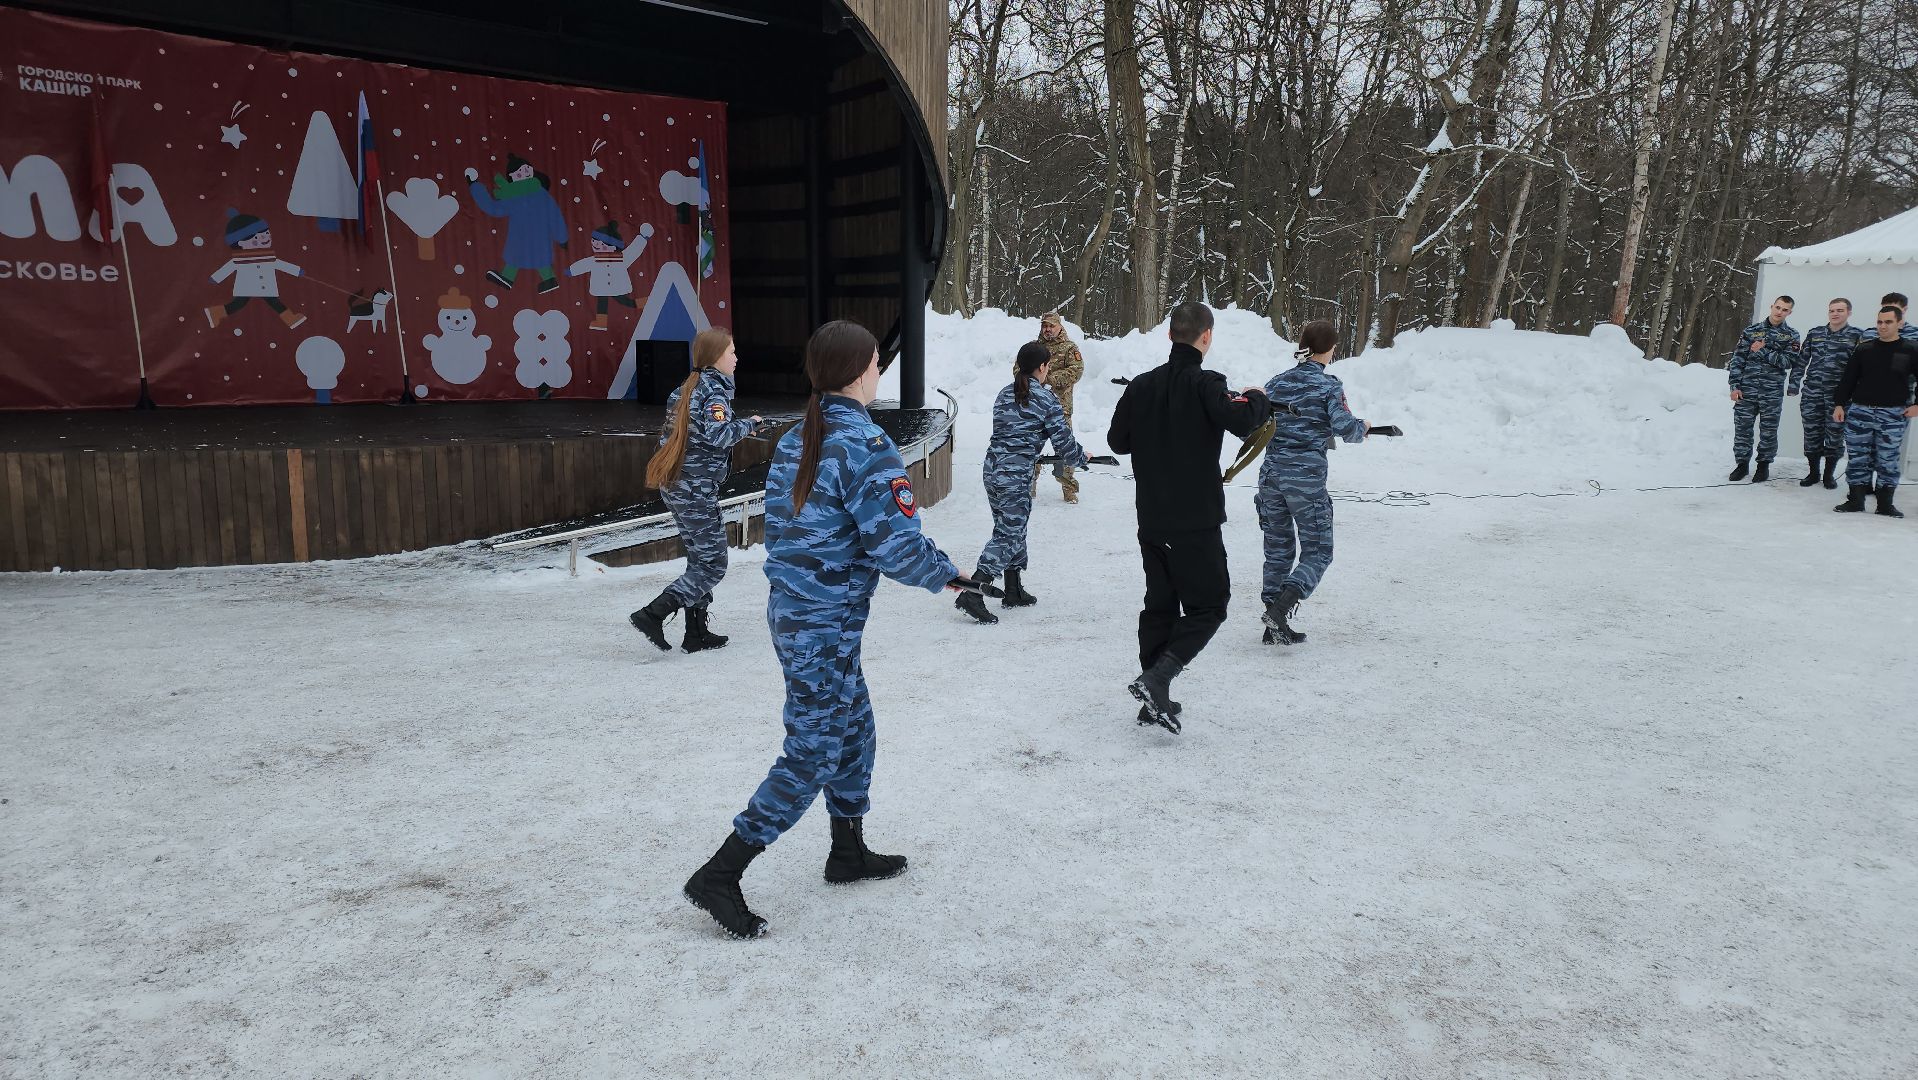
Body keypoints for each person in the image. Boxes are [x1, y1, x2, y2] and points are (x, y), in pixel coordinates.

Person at [682, 321, 972, 939]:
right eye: (876, 362)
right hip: (824, 625)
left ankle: (847, 850)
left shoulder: (799, 435)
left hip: (797, 615)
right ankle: (720, 873)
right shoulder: (865, 444)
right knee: (813, 750)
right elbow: (895, 547)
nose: (879, 371)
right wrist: (951, 576)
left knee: (854, 729)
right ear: (862, 370)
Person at [1107, 301, 1272, 732]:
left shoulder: (1141, 385)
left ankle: (1152, 695)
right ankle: (1158, 679)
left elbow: (1117, 441)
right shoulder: (1207, 384)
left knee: (1159, 606)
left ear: (1170, 335)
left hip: (1152, 518)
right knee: (1210, 605)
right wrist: (1257, 395)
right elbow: (1244, 419)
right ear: (1206, 336)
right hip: (1194, 521)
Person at [630, 328, 762, 653]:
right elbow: (719, 435)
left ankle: (696, 632)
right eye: (731, 352)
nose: (736, 358)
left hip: (678, 485)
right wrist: (750, 423)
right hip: (695, 489)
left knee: (700, 560)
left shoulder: (685, 389)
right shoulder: (714, 393)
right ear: (716, 357)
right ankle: (653, 614)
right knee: (714, 564)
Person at [956, 341, 1091, 624]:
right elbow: (1064, 445)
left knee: (1009, 527)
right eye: (1047, 366)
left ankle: (1013, 588)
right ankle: (973, 591)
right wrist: (1082, 457)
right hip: (1015, 475)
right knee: (1009, 532)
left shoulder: (1004, 394)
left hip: (992, 470)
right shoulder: (1046, 399)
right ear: (1042, 367)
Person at [1256, 321, 1372, 645]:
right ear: (1330, 350)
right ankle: (1280, 611)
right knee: (1319, 550)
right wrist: (1362, 427)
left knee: (1278, 550)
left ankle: (1273, 624)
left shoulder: (1276, 383)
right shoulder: (1328, 386)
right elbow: (1345, 428)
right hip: (1305, 481)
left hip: (1270, 477)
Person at [1831, 305, 1918, 518]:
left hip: (1893, 414)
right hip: (1861, 412)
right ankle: (1856, 500)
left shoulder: (1910, 349)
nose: (1883, 326)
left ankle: (1885, 504)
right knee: (1857, 458)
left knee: (1888, 460)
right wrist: (1839, 404)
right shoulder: (1865, 349)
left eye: (1888, 322)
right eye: (1879, 322)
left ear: (1899, 323)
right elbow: (1848, 378)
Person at [1791, 298, 1865, 490]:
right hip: (1812, 393)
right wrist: (1794, 384)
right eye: (1832, 310)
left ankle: (1828, 475)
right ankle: (1813, 473)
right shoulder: (1815, 333)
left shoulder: (1857, 336)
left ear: (1849, 312)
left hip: (1839, 398)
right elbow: (1802, 360)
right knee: (1811, 434)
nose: (1835, 314)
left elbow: (1862, 367)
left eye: (1840, 310)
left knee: (1835, 436)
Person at [468, 155, 568, 294]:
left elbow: (555, 215)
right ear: (512, 178)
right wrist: (562, 238)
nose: (524, 173)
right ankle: (545, 279)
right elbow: (494, 208)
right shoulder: (525, 196)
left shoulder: (534, 195)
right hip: (532, 238)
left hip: (525, 238)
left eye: (527, 170)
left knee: (519, 257)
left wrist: (474, 186)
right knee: (531, 258)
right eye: (519, 172)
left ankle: (515, 278)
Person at [1726, 296, 1801, 483]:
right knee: (1742, 429)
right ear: (1772, 306)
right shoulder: (1751, 331)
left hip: (1771, 392)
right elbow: (1738, 359)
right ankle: (1742, 465)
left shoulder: (1791, 335)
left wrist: (1763, 350)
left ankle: (1763, 465)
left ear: (1790, 312)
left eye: (1785, 310)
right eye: (1778, 307)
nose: (1779, 312)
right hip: (1747, 390)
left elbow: (1789, 361)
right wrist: (1735, 386)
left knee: (1768, 431)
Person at [1035, 312, 1087, 503]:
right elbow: (1018, 368)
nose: (1047, 329)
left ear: (1059, 327)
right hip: (1035, 408)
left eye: (1051, 326)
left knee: (1066, 449)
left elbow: (1076, 371)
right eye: (1044, 326)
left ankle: (1069, 489)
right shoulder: (1034, 348)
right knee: (1031, 448)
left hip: (1061, 408)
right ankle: (1028, 486)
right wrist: (1032, 378)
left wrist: (1049, 379)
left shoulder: (1069, 348)